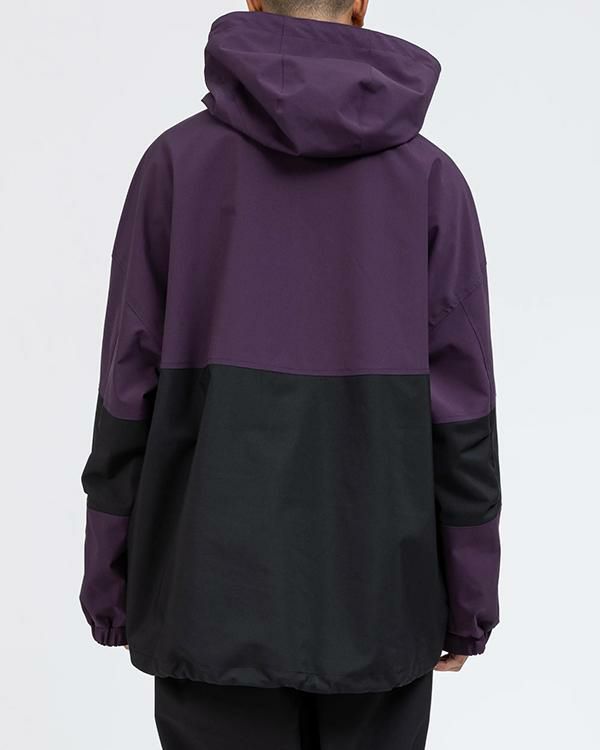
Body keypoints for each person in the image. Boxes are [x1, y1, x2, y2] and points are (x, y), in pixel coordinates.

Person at [79, 1, 501, 747]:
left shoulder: (174, 166)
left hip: (207, 598)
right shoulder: (432, 181)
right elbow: (462, 414)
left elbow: (126, 394)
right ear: (361, 4)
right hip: (378, 606)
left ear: (252, 0)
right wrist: (469, 600)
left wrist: (111, 582)